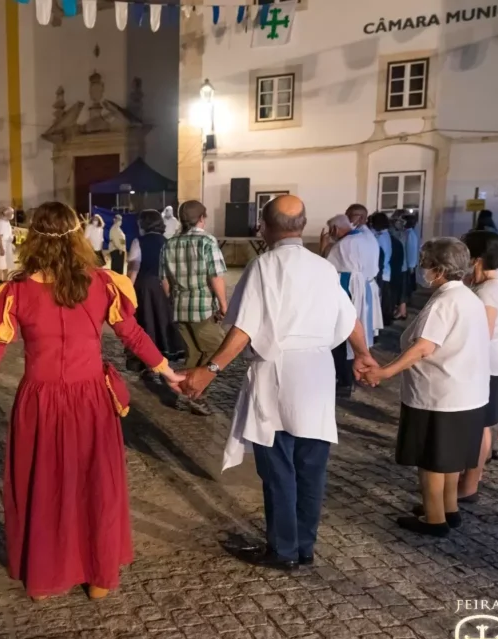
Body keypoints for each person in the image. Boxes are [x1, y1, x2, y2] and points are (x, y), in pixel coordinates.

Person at [0, 201, 184, 600]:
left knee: (44, 487)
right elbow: (133, 335)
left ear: (33, 238)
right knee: (94, 485)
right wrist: (167, 371)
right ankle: (97, 574)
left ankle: (45, 576)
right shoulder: (101, 283)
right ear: (77, 235)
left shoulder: (16, 290)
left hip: (39, 402)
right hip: (91, 400)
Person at [181, 195, 373, 570]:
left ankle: (284, 549)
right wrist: (363, 354)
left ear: (265, 228)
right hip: (317, 374)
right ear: (302, 226)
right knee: (311, 467)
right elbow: (350, 319)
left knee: (279, 468)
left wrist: (210, 370)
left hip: (277, 376)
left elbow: (243, 328)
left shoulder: (263, 266)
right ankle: (304, 545)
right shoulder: (324, 268)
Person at [362, 238, 490, 536]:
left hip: (439, 394)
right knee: (447, 458)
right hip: (465, 392)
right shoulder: (469, 297)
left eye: (426, 263)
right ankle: (448, 508)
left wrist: (384, 372)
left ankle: (434, 519)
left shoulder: (444, 302)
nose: (423, 269)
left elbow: (422, 348)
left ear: (438, 268)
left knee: (431, 459)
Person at [457, 231, 498, 499]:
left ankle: (469, 485)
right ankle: (472, 478)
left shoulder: (486, 295)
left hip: (484, 369)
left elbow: (480, 335)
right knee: (483, 426)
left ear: (476, 259)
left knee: (479, 427)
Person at [162, 200, 228, 416]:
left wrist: (172, 301)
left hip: (180, 307)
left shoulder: (169, 243)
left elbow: (164, 281)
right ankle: (195, 393)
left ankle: (185, 392)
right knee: (218, 350)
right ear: (202, 218)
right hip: (203, 308)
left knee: (194, 352)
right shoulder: (207, 242)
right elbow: (215, 276)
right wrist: (223, 304)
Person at [322, 209, 382, 398]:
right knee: (357, 331)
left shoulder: (344, 244)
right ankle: (354, 373)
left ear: (334, 229)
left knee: (342, 333)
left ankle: (344, 379)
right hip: (364, 288)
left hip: (348, 290)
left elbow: (327, 266)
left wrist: (325, 246)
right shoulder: (366, 238)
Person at [126, 209, 185, 374]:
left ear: (143, 223)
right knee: (160, 321)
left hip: (144, 287)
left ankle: (144, 358)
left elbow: (133, 269)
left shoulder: (139, 241)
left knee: (145, 322)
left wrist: (126, 292)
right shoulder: (167, 242)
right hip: (162, 286)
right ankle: (161, 356)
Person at [370, 212, 395, 326]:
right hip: (385, 271)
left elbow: (381, 256)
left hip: (382, 271)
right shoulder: (384, 235)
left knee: (382, 300)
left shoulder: (380, 237)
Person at [402, 213, 421, 316]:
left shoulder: (410, 234)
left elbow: (411, 250)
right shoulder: (408, 233)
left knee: (408, 286)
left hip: (409, 265)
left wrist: (411, 266)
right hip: (409, 264)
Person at [0, 206, 16, 283]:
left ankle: (4, 279)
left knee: (5, 263)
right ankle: (2, 279)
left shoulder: (7, 222)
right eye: (11, 213)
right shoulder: (0, 223)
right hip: (2, 245)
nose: (12, 215)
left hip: (7, 244)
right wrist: (1, 248)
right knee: (2, 264)